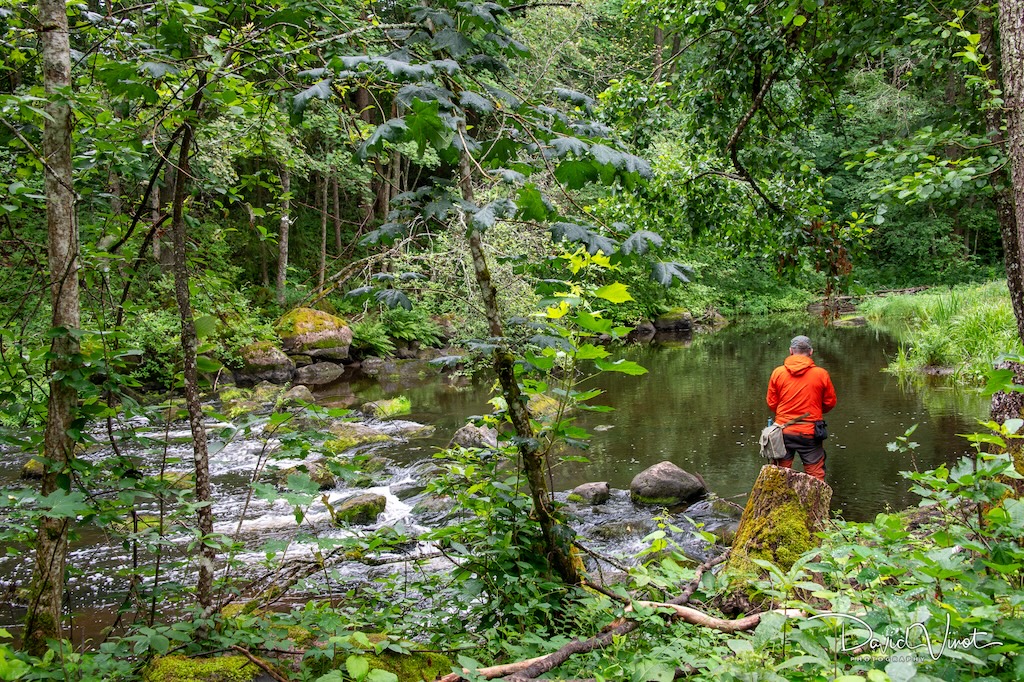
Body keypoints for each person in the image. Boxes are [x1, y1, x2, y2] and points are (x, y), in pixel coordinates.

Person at [765, 335, 837, 481]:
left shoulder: (778, 373)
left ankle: (779, 503)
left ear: (791, 351)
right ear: (810, 352)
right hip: (810, 432)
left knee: (780, 475)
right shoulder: (821, 374)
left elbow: (772, 403)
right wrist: (814, 410)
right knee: (815, 476)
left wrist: (786, 414)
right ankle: (815, 503)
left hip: (783, 431)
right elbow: (830, 403)